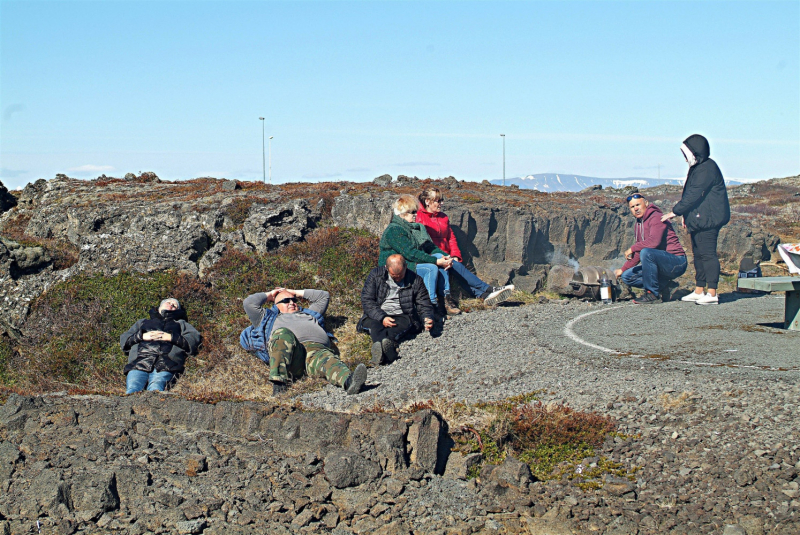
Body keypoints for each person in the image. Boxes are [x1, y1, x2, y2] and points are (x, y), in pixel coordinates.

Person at [380, 194, 513, 315]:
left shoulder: (412, 227)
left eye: (416, 211)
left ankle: (484, 292)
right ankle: (433, 304)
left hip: (412, 262)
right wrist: (436, 261)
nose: (415, 215)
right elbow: (411, 254)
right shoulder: (395, 230)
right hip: (400, 268)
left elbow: (429, 247)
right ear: (402, 214)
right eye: (412, 212)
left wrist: (445, 257)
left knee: (446, 261)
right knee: (433, 266)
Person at [241, 288, 367, 395]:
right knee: (282, 334)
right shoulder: (267, 318)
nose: (291, 302)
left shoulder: (310, 314)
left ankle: (349, 382)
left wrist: (294, 292)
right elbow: (249, 303)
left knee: (329, 360)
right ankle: (279, 384)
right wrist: (271, 294)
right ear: (276, 305)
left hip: (316, 351)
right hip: (292, 354)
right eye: (285, 301)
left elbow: (323, 296)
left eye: (293, 300)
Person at [416, 186, 514, 313]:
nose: (441, 203)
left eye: (442, 200)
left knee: (455, 266)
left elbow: (451, 238)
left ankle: (485, 295)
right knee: (448, 266)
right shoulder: (418, 217)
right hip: (431, 256)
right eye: (438, 201)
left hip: (445, 255)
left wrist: (455, 254)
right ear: (428, 201)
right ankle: (487, 290)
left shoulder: (443, 217)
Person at [661, 134, 730, 305]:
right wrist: (687, 215)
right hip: (700, 218)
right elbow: (693, 196)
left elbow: (694, 195)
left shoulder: (707, 168)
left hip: (709, 220)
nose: (685, 159)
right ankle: (700, 289)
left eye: (686, 155)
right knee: (699, 255)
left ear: (694, 152)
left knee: (708, 254)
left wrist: (675, 212)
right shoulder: (698, 167)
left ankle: (712, 292)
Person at [359, 254, 435, 365]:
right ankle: (388, 353)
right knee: (376, 326)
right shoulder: (376, 275)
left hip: (402, 314)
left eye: (400, 275)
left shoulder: (416, 280)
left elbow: (423, 303)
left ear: (406, 267)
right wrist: (382, 317)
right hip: (378, 313)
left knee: (395, 329)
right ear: (386, 268)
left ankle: (382, 350)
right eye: (394, 276)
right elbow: (367, 300)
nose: (398, 278)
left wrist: (427, 317)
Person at [613, 194, 687, 304]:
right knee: (627, 276)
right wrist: (622, 270)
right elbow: (639, 252)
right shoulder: (638, 224)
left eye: (638, 204)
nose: (636, 208)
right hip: (658, 263)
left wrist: (632, 248)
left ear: (646, 203)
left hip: (676, 262)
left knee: (647, 252)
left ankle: (652, 294)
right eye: (632, 207)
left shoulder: (656, 217)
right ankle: (666, 286)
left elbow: (653, 242)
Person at [120, 298, 200, 394]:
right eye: (168, 302)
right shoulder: (142, 322)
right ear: (160, 306)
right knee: (132, 389)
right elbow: (125, 340)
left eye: (175, 305)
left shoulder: (181, 324)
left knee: (156, 390)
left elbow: (193, 339)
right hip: (138, 363)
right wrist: (142, 336)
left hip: (166, 364)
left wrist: (171, 337)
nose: (171, 305)